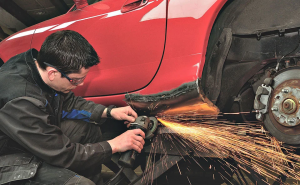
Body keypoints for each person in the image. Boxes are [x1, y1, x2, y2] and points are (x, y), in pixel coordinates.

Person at [0, 30, 145, 185]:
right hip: (9, 157)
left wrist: (108, 112)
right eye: (75, 80)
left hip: (31, 137)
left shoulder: (38, 65)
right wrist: (114, 145)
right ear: (52, 73)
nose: (80, 85)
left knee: (88, 129)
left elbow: (68, 103)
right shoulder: (21, 100)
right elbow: (63, 154)